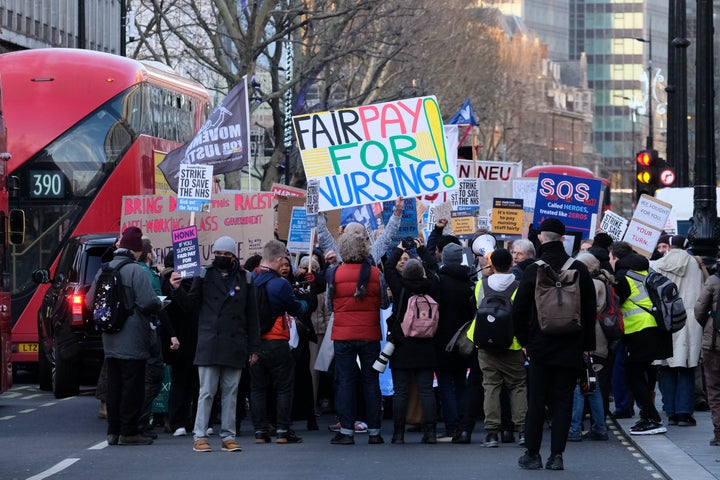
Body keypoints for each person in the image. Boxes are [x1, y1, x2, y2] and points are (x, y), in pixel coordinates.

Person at [513, 218, 596, 470]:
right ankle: (556, 456)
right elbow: (590, 310)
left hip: (540, 346)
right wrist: (586, 344)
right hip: (571, 346)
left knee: (536, 402)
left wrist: (524, 341)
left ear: (540, 238)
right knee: (563, 402)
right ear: (563, 239)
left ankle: (532, 454)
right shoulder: (579, 269)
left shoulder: (533, 269)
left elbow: (519, 310)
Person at [169, 235, 260, 453]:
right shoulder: (204, 275)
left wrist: (255, 347)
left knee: (231, 393)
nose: (221, 257)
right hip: (210, 342)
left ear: (233, 256)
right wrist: (177, 289)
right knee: (207, 391)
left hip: (234, 343)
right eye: (218, 253)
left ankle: (228, 436)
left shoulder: (245, 278)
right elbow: (191, 307)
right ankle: (200, 435)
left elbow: (252, 316)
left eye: (226, 254)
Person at [86, 226, 163, 446]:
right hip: (133, 339)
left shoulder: (104, 269)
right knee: (132, 387)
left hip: (110, 338)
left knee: (115, 386)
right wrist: (159, 303)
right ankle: (129, 432)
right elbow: (149, 302)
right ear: (136, 250)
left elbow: (91, 302)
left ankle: (113, 431)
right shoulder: (137, 271)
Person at [327, 222, 390, 445]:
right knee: (371, 382)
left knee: (345, 382)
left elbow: (329, 306)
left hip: (343, 335)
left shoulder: (333, 273)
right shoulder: (375, 274)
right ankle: (374, 432)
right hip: (370, 334)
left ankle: (346, 431)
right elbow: (384, 303)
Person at [250, 240, 317, 445]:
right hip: (277, 341)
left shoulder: (249, 279)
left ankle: (260, 431)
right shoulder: (280, 284)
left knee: (258, 388)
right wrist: (306, 301)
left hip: (254, 343)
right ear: (279, 260)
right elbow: (297, 309)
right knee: (284, 387)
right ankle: (282, 430)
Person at [610, 241, 672, 436]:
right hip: (655, 328)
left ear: (617, 258)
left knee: (632, 376)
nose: (610, 261)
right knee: (644, 375)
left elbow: (614, 303)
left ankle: (653, 419)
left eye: (611, 258)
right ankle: (647, 416)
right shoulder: (643, 271)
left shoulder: (622, 276)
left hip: (639, 331)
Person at [385, 240, 440, 444]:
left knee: (401, 391)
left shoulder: (400, 288)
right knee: (426, 390)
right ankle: (431, 432)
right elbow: (434, 267)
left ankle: (398, 433)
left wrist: (399, 249)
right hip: (426, 345)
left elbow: (389, 268)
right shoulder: (432, 286)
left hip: (403, 345)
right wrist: (422, 249)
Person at [650, 234, 704, 427]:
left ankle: (671, 413)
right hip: (688, 319)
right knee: (687, 366)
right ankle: (684, 413)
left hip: (664, 318)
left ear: (670, 247)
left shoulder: (657, 265)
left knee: (666, 367)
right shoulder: (695, 264)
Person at [476, 248, 527, 448]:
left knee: (490, 386)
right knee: (517, 386)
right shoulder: (519, 286)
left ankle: (491, 433)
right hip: (512, 344)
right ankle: (522, 430)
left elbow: (478, 308)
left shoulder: (481, 285)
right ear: (511, 264)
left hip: (485, 343)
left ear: (492, 264)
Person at [434, 242, 475, 441]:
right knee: (461, 382)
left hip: (442, 338)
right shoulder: (469, 282)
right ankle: (462, 423)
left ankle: (451, 425)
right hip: (464, 339)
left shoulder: (439, 282)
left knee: (445, 383)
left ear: (444, 258)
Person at [568, 252, 611, 442]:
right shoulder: (603, 281)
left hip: (588, 337)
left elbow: (585, 310)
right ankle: (600, 427)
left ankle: (575, 428)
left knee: (580, 384)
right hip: (598, 339)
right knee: (593, 385)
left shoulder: (592, 283)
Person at [160, 251, 198, 437]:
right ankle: (179, 421)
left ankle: (180, 421)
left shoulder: (172, 281)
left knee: (182, 381)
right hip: (182, 337)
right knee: (185, 381)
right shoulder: (171, 283)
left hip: (181, 337)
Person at [317, 197, 404, 264]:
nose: (353, 239)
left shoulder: (338, 257)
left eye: (356, 234)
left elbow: (323, 236)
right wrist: (398, 210)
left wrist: (318, 215)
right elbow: (387, 234)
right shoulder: (372, 255)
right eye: (350, 235)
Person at [693, 266, 720, 445]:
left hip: (714, 343)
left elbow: (699, 309)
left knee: (715, 389)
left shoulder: (714, 280)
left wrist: (709, 326)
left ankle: (719, 433)